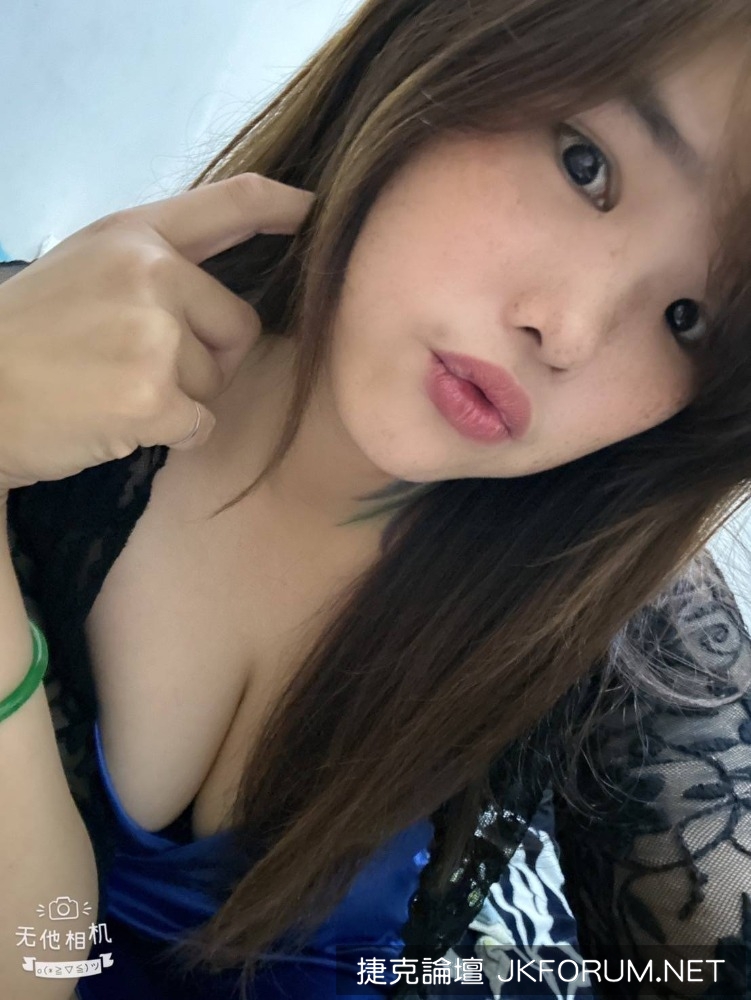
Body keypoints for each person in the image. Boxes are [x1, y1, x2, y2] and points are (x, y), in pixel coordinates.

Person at [1, 1, 751, 997]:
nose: (568, 332)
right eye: (585, 166)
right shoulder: (35, 376)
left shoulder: (634, 633)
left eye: (688, 320)